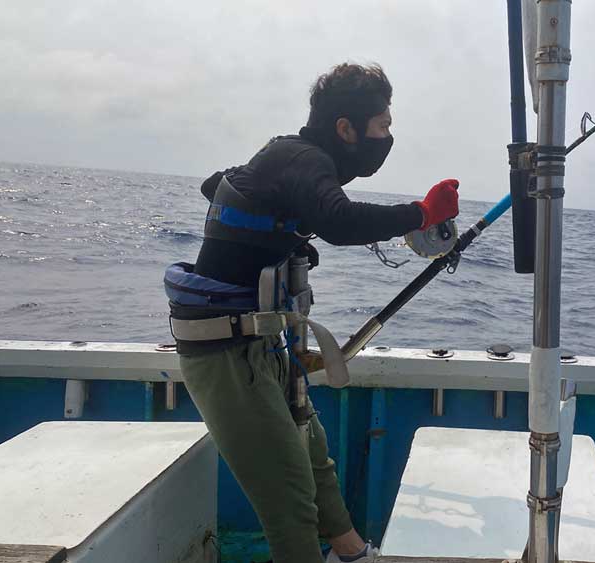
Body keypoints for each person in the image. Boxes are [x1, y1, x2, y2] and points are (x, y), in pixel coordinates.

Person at [166, 63, 459, 563]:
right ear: (345, 129)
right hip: (226, 353)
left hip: (260, 343)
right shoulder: (305, 160)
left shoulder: (288, 155)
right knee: (290, 496)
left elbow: (218, 187)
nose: (388, 136)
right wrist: (422, 214)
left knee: (313, 455)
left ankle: (350, 554)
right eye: (381, 126)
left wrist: (282, 235)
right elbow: (340, 220)